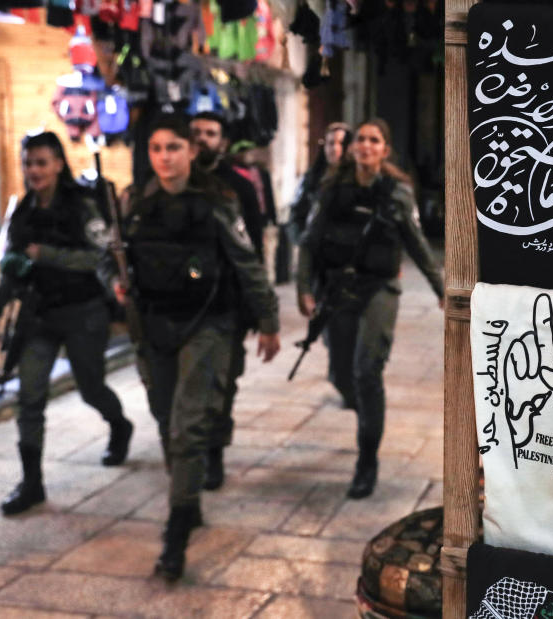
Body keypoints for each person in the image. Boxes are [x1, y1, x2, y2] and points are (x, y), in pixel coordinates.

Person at [118, 114, 280, 581]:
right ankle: (186, 499)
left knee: (189, 427)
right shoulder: (135, 202)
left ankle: (176, 530)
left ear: (191, 150)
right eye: (155, 148)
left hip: (208, 323)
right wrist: (116, 282)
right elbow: (115, 257)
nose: (164, 157)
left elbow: (247, 261)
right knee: (167, 420)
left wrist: (267, 318)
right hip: (155, 324)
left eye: (173, 147)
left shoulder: (219, 200)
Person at [0, 131, 133, 516]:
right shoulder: (23, 212)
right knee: (29, 396)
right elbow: (12, 265)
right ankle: (31, 482)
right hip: (39, 316)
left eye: (41, 162)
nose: (34, 170)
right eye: (28, 163)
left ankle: (119, 425)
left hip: (84, 312)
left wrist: (47, 254)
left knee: (91, 388)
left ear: (58, 164)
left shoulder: (82, 207)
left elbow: (98, 259)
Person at [297, 118, 444, 499]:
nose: (364, 145)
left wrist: (440, 288)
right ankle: (365, 413)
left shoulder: (397, 191)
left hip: (379, 288)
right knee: (340, 375)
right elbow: (309, 242)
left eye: (373, 140)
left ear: (385, 149)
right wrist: (303, 288)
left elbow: (416, 241)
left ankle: (367, 461)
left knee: (367, 371)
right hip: (338, 290)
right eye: (360, 139)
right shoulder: (333, 188)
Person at [189, 111, 266, 491]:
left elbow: (253, 248)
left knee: (221, 385)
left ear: (222, 140)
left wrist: (258, 307)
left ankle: (213, 452)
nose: (203, 138)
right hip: (182, 305)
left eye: (211, 133)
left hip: (227, 304)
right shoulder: (171, 183)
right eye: (197, 132)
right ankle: (188, 449)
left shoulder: (238, 186)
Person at [288, 122, 352, 243]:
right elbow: (296, 212)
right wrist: (300, 238)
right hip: (313, 244)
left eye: (341, 143)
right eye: (331, 143)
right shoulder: (312, 176)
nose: (335, 149)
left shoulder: (354, 178)